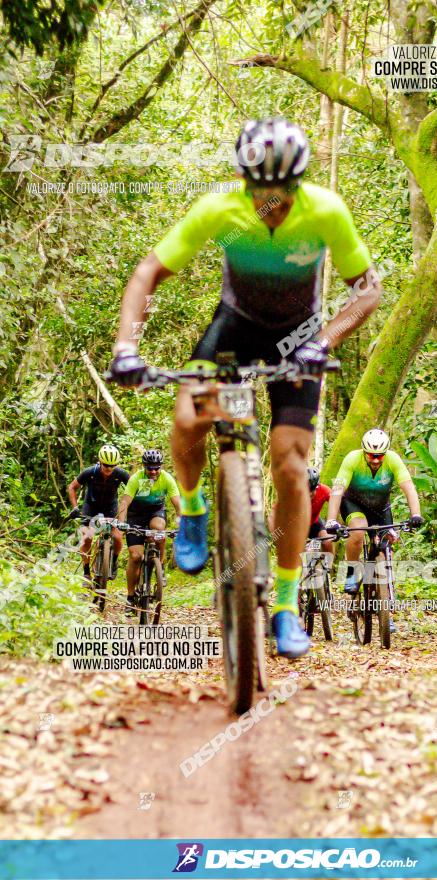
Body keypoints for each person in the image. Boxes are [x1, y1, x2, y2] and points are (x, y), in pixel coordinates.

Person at [109, 117, 382, 657]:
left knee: (289, 465)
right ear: (243, 177)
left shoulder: (326, 210)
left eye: (284, 189)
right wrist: (126, 347)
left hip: (299, 340)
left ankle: (283, 605)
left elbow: (367, 292)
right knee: (188, 419)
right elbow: (148, 272)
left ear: (300, 182)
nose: (273, 200)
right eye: (262, 188)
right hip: (233, 331)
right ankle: (191, 507)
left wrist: (323, 341)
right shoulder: (220, 208)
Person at [325, 428, 424, 630]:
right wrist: (331, 520)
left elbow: (409, 487)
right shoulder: (352, 459)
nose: (376, 459)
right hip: (353, 505)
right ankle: (352, 574)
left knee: (388, 542)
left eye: (380, 456)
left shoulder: (393, 460)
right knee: (358, 531)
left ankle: (386, 610)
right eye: (372, 455)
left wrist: (416, 514)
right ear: (364, 452)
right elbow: (337, 490)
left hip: (380, 508)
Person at [117, 449, 181, 616]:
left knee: (159, 529)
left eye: (156, 468)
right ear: (144, 467)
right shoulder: (136, 478)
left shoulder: (167, 479)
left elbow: (177, 503)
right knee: (136, 556)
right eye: (149, 468)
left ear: (161, 467)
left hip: (155, 513)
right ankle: (130, 598)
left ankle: (159, 564)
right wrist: (122, 522)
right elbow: (125, 501)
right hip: (135, 516)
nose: (153, 471)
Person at [67, 444, 129, 584]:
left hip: (110, 508)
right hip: (91, 507)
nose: (109, 469)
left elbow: (133, 490)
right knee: (87, 538)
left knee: (118, 537)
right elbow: (72, 487)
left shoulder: (121, 474)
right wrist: (75, 507)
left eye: (112, 466)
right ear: (100, 462)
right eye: (106, 465)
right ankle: (86, 572)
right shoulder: (90, 472)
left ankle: (113, 562)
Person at [268, 467, 334, 555]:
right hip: (294, 526)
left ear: (317, 486)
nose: (310, 494)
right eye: (306, 491)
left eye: (312, 490)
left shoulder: (323, 490)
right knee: (301, 550)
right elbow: (272, 515)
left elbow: (337, 501)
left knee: (328, 542)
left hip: (314, 523)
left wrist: (334, 523)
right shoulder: (290, 493)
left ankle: (328, 567)